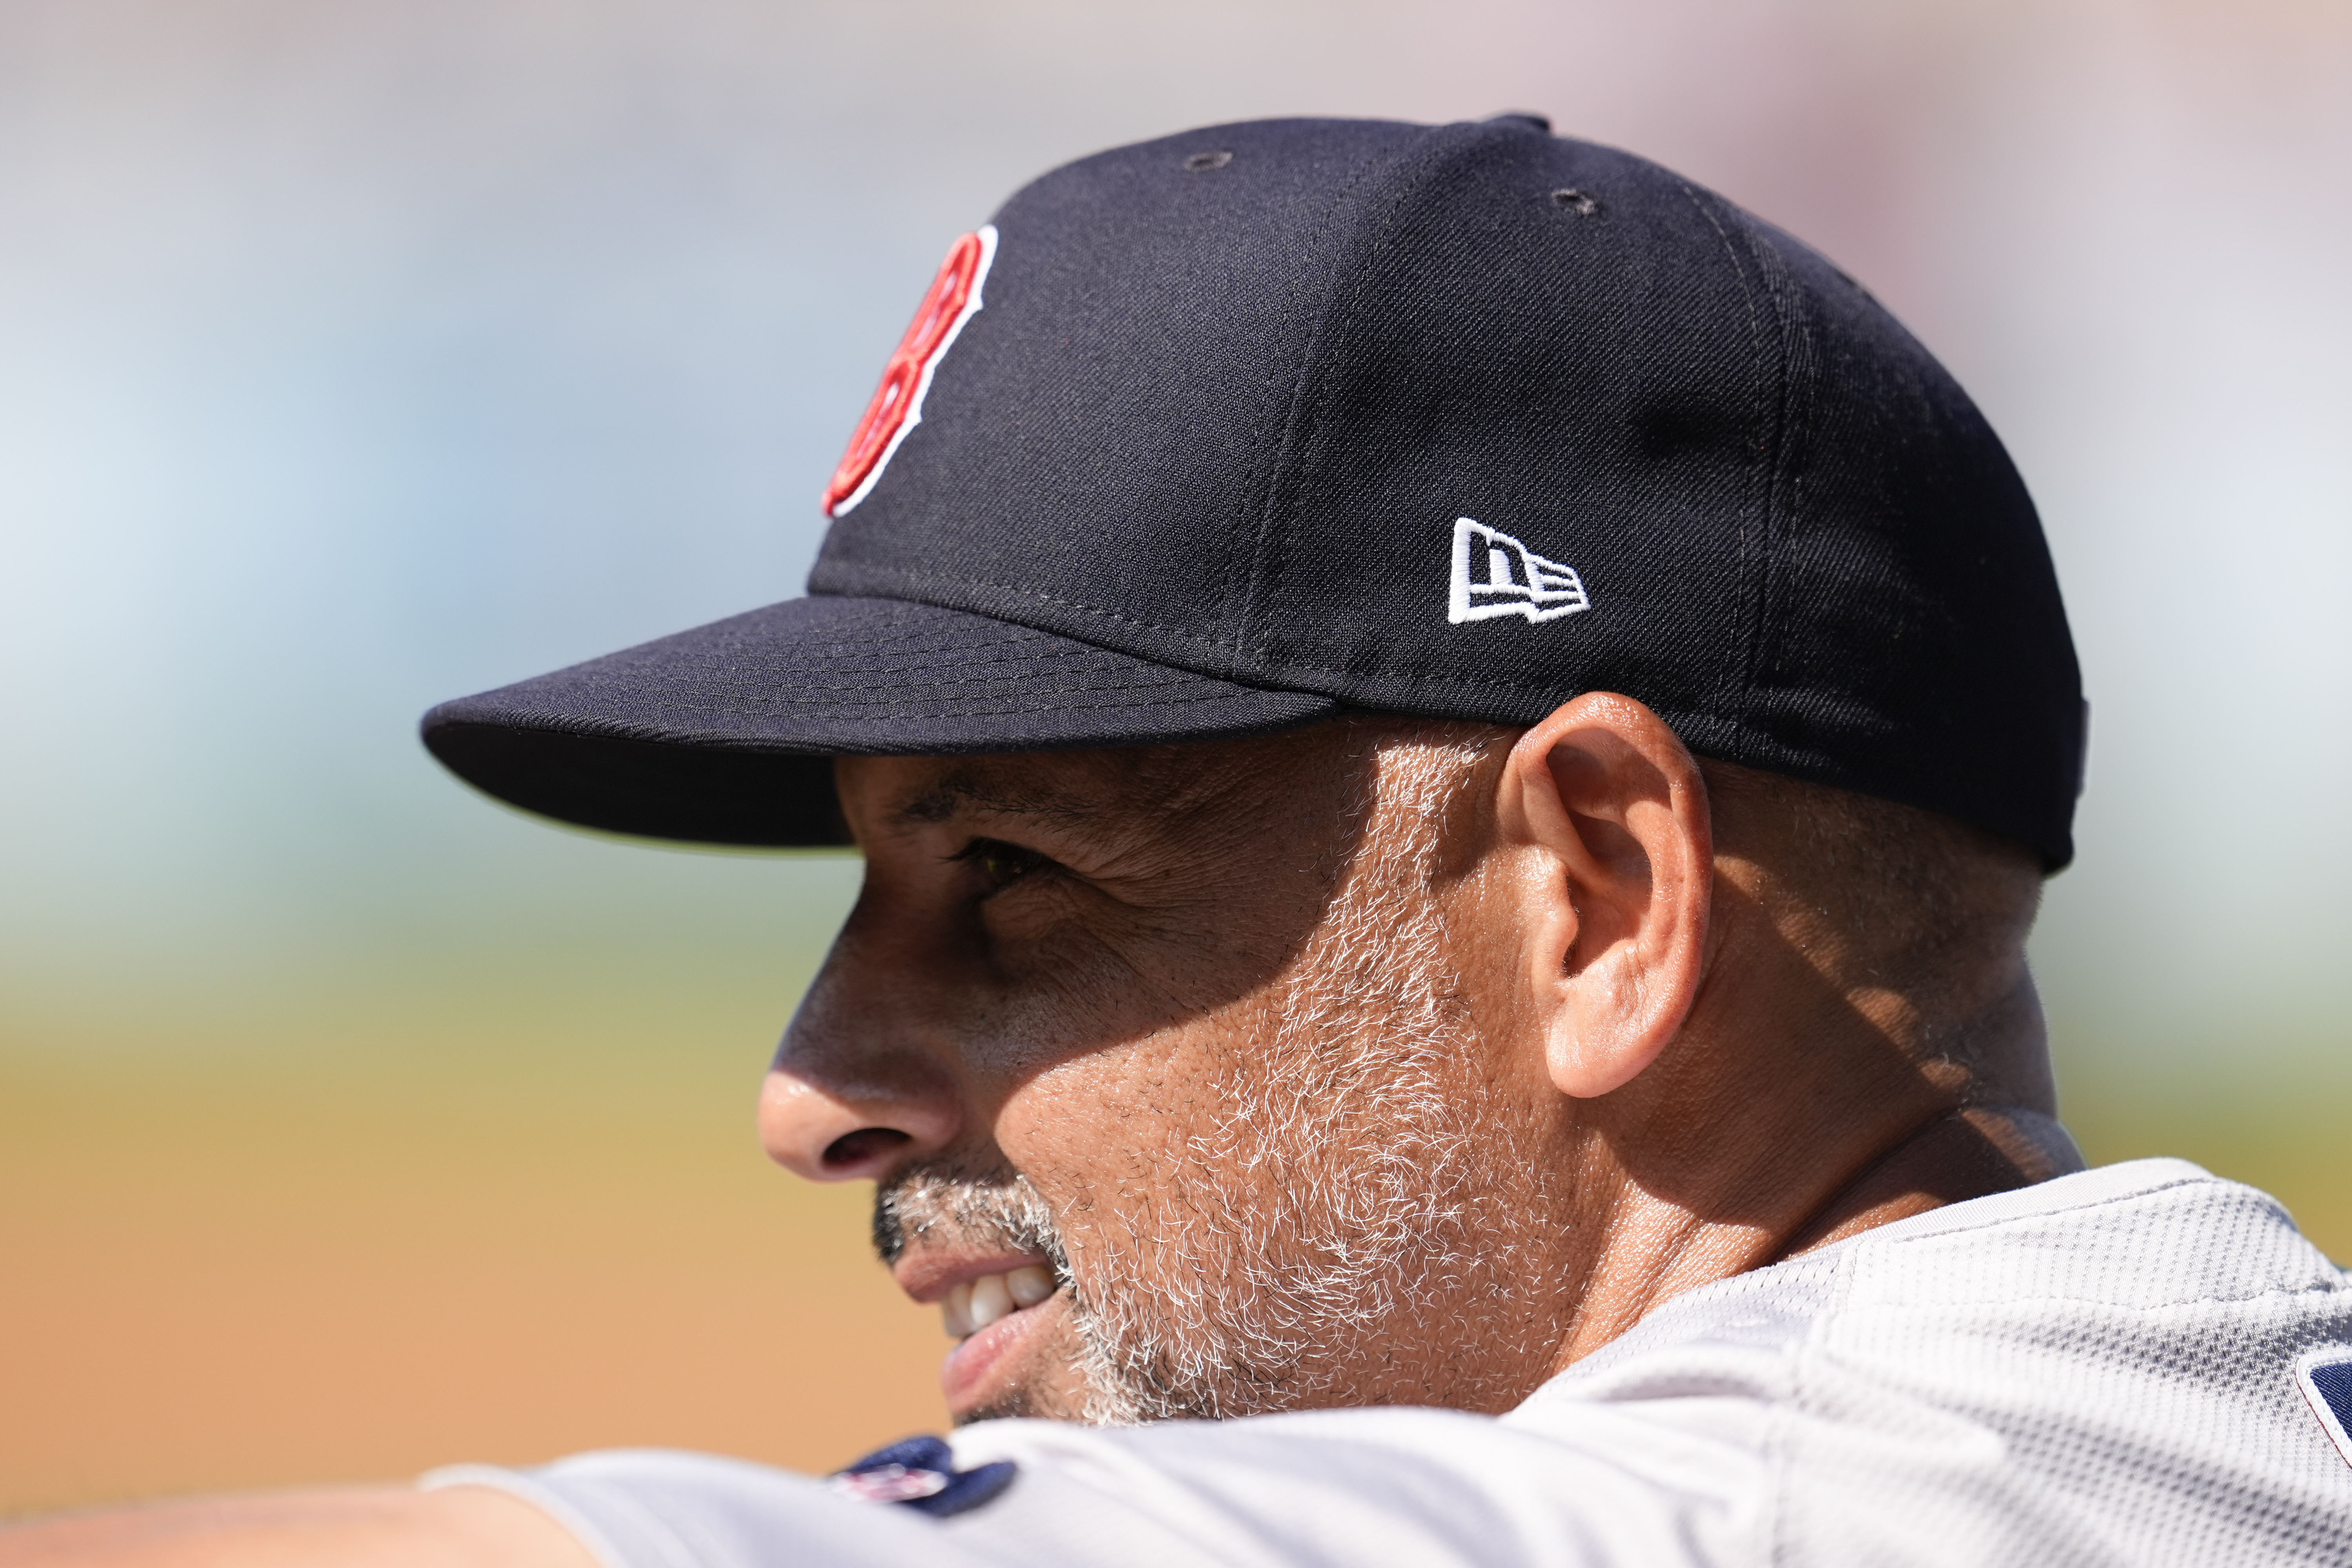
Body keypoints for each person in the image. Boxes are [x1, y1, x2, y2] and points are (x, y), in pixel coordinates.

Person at [10, 114, 2349, 1568]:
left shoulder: (1796, 1521)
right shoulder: (2169, 1423)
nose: (812, 1090)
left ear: (1602, 898)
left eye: (1012, 871)